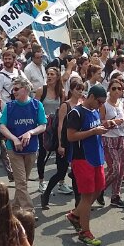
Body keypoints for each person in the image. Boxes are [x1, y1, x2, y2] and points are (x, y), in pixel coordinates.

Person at [65, 85, 111, 246]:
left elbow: (96, 127)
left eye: (103, 103)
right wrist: (93, 132)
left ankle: (75, 215)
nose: (101, 105)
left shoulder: (95, 110)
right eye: (99, 102)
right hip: (82, 158)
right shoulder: (76, 113)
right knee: (86, 195)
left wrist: (107, 125)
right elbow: (71, 136)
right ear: (90, 97)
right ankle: (85, 232)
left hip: (96, 156)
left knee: (99, 189)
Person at [0, 77, 47, 213]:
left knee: (22, 182)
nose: (13, 92)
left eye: (16, 89)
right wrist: (14, 139)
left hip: (31, 149)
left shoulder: (37, 105)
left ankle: (13, 209)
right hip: (13, 149)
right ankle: (29, 211)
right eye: (12, 89)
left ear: (25, 89)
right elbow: (2, 126)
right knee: (21, 183)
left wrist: (30, 132)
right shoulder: (9, 106)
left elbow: (43, 125)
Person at [40, 80, 84, 208]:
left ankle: (78, 203)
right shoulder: (66, 105)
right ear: (71, 90)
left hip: (77, 143)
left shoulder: (82, 104)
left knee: (76, 173)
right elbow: (60, 126)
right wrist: (60, 144)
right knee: (61, 172)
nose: (80, 92)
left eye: (81, 89)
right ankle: (46, 193)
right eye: (77, 89)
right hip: (65, 141)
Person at [100, 78, 124, 208]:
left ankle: (115, 196)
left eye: (119, 88)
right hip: (108, 138)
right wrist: (113, 122)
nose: (117, 91)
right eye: (114, 88)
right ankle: (99, 190)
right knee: (115, 170)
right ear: (109, 90)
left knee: (121, 170)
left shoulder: (122, 103)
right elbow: (100, 122)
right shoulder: (104, 105)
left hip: (121, 138)